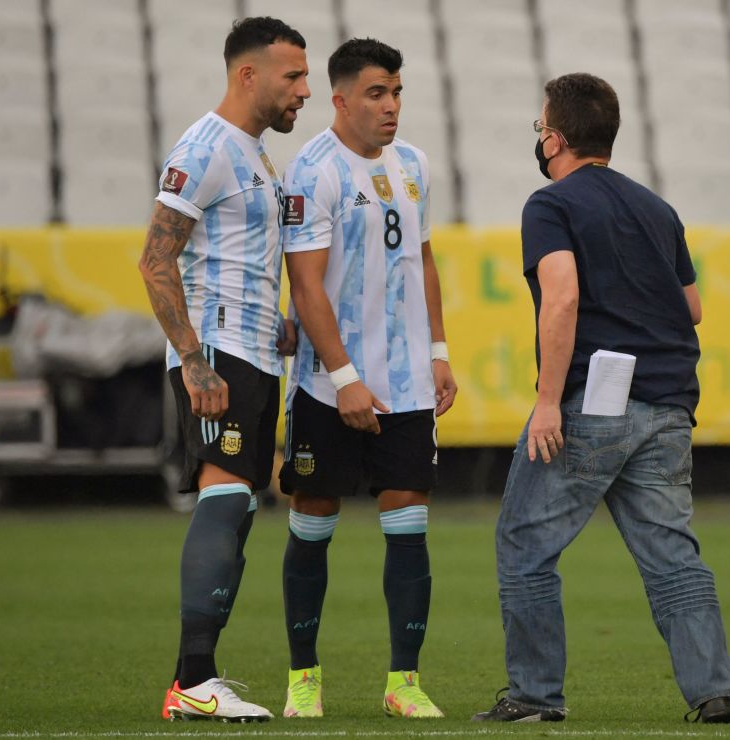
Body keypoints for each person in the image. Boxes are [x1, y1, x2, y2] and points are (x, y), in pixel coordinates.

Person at [472, 73, 730, 724]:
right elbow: (693, 308)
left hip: (597, 398)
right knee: (671, 553)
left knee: (525, 544)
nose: (539, 140)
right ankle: (713, 693)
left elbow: (562, 297)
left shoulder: (551, 205)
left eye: (541, 129)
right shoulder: (656, 209)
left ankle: (536, 697)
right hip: (670, 400)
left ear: (556, 139)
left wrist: (546, 401)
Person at [278, 38, 457, 720]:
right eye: (378, 93)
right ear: (342, 98)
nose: (392, 106)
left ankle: (403, 683)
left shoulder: (414, 165)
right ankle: (304, 678)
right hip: (329, 387)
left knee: (409, 524)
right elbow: (307, 283)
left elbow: (425, 260)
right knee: (314, 521)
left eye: (399, 92)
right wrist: (346, 377)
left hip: (409, 385)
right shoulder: (313, 171)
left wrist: (438, 349)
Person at [137, 16, 309, 723]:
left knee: (237, 510)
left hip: (254, 351)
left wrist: (280, 326)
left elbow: (232, 262)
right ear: (248, 75)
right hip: (220, 358)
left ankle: (190, 681)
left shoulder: (254, 154)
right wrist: (193, 362)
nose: (304, 90)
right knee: (228, 498)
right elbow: (155, 259)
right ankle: (198, 677)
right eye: (292, 77)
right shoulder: (205, 149)